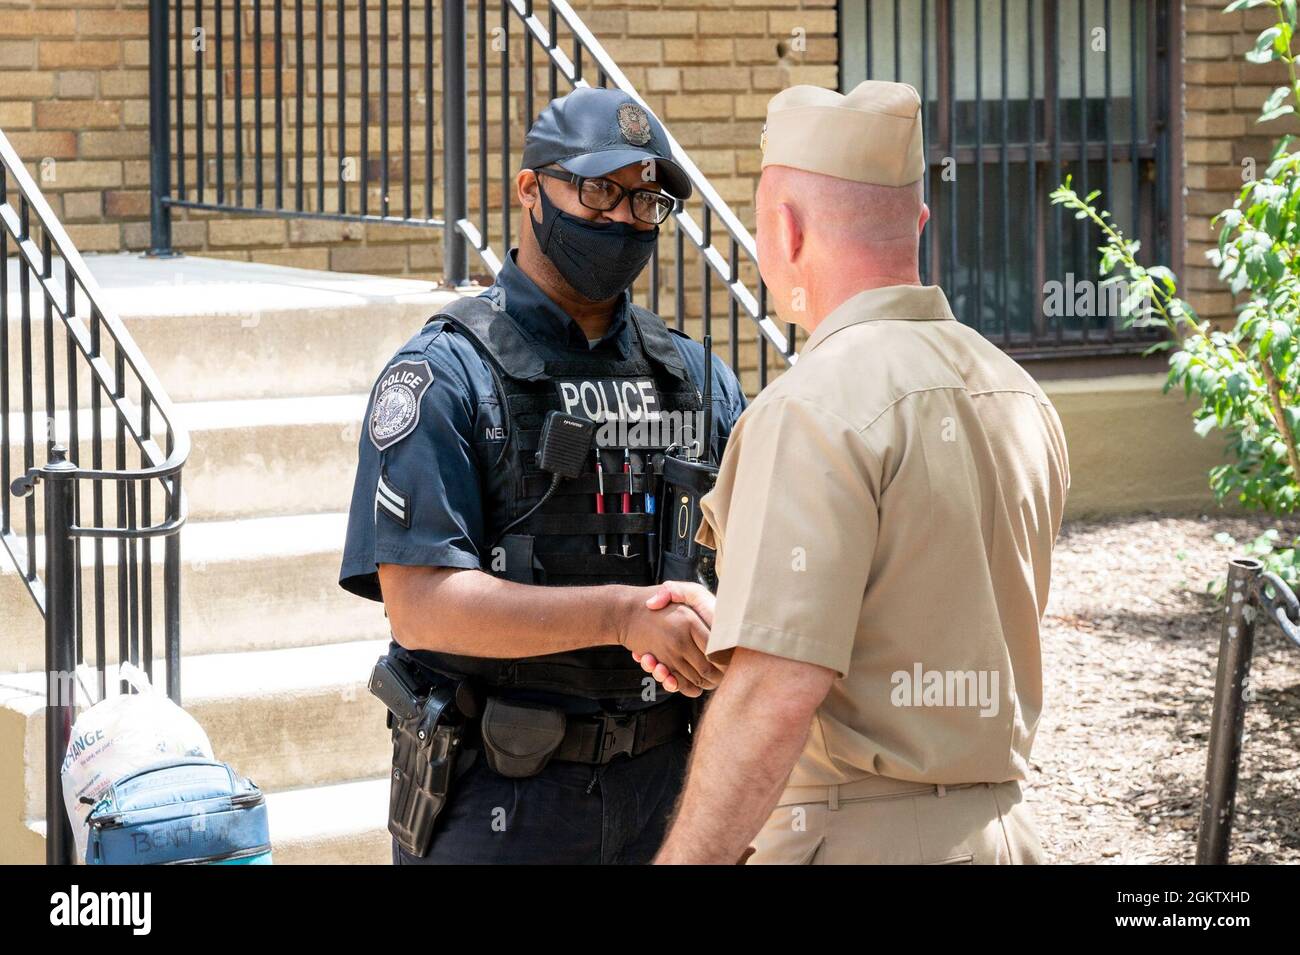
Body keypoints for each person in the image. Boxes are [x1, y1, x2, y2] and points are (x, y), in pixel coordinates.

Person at [639, 80, 1071, 865]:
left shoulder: (812, 407)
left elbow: (776, 696)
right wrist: (744, 617)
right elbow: (922, 605)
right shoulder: (1017, 389)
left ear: (785, 228)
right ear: (920, 222)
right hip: (1004, 835)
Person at [338, 87, 746, 864]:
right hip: (501, 797)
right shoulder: (446, 373)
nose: (623, 218)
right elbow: (419, 606)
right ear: (530, 190)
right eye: (598, 190)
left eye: (645, 201)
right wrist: (624, 615)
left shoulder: (697, 379)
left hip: (668, 789)